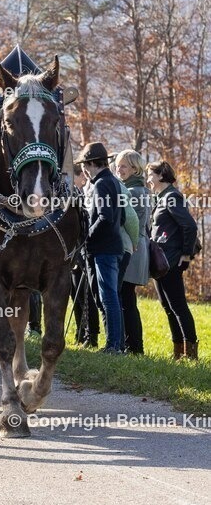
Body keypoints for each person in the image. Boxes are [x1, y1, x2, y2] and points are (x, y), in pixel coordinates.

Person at [146, 160, 199, 361]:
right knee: (168, 308)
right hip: (161, 261)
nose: (148, 179)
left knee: (178, 307)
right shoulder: (161, 198)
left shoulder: (171, 197)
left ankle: (191, 355)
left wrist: (185, 255)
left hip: (171, 261)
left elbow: (190, 227)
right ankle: (178, 354)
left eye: (150, 175)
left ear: (161, 176)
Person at [77, 141, 124, 354]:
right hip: (108, 246)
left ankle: (114, 344)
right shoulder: (112, 181)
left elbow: (106, 217)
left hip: (103, 248)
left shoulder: (102, 184)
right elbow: (120, 218)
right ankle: (115, 343)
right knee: (104, 296)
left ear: (92, 163)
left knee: (108, 297)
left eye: (85, 165)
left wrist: (86, 237)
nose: (84, 170)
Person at [114, 149, 149, 355]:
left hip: (133, 249)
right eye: (118, 166)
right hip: (137, 247)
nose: (119, 170)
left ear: (135, 169)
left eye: (124, 166)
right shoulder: (138, 189)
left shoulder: (134, 192)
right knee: (128, 299)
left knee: (126, 298)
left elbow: (130, 222)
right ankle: (133, 345)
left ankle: (134, 346)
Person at [71, 163, 100, 348]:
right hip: (72, 252)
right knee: (76, 296)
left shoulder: (81, 192)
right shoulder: (72, 192)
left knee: (86, 296)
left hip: (82, 249)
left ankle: (91, 335)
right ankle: (80, 333)